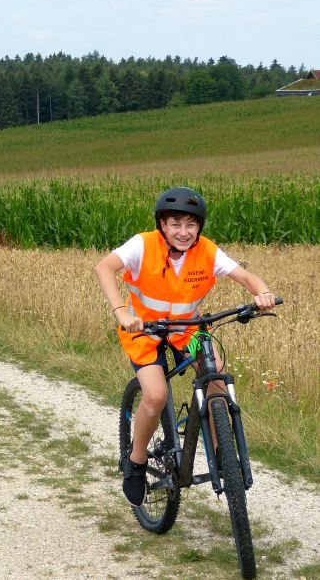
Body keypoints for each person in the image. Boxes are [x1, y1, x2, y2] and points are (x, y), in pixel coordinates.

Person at [94, 187, 276, 507]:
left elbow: (246, 278)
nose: (183, 231)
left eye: (190, 224)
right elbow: (104, 268)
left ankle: (225, 459)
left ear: (199, 227)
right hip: (144, 331)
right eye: (175, 223)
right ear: (162, 225)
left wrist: (262, 293)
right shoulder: (143, 245)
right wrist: (122, 313)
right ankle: (136, 463)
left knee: (216, 375)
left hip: (187, 330)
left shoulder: (206, 251)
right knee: (155, 394)